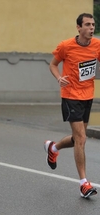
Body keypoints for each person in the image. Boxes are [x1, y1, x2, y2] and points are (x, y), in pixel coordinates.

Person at [45, 13, 100, 199]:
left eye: (93, 24)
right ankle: (84, 184)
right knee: (82, 138)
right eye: (87, 24)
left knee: (79, 139)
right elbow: (53, 65)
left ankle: (53, 148)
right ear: (78, 27)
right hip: (70, 95)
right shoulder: (66, 46)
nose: (91, 28)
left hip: (87, 95)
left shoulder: (97, 45)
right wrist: (59, 77)